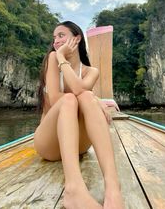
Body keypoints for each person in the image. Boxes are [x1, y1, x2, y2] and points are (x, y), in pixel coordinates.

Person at [34, 21, 124, 209]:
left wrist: (93, 98)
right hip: (49, 143)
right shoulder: (53, 58)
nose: (56, 41)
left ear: (77, 38)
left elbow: (78, 88)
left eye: (61, 35)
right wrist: (60, 57)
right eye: (54, 38)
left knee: (86, 97)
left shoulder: (91, 71)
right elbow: (59, 98)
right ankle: (74, 189)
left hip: (78, 145)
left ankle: (113, 187)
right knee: (71, 99)